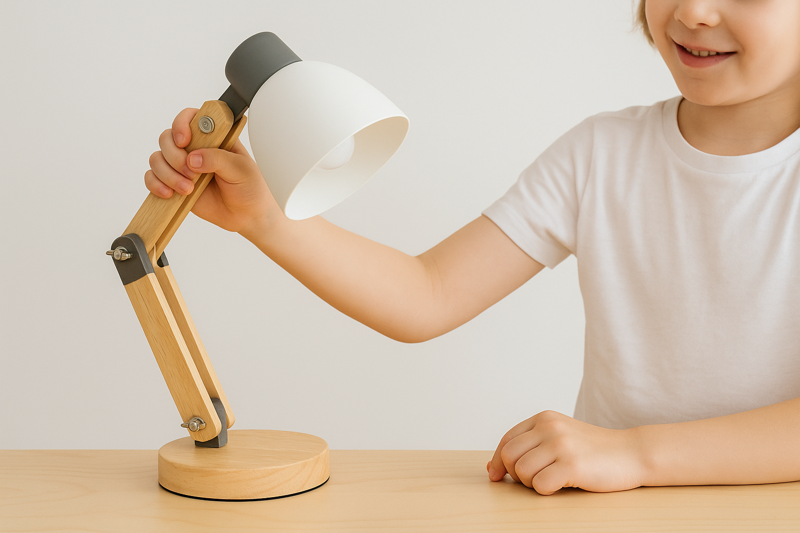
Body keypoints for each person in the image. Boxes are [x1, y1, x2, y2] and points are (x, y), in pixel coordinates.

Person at [144, 0, 800, 496]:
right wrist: (264, 218)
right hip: (608, 513)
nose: (693, 12)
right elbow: (426, 295)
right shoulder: (603, 153)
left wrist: (632, 454)